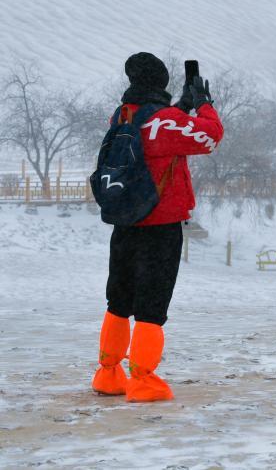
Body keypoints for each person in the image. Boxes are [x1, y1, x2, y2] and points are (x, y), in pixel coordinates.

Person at [91, 53, 224, 402]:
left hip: (125, 220)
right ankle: (143, 380)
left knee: (118, 299)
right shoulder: (164, 122)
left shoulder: (122, 116)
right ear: (160, 81)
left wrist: (182, 105)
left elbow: (161, 127)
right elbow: (210, 136)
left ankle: (108, 374)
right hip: (160, 224)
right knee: (152, 305)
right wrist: (204, 105)